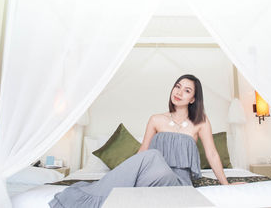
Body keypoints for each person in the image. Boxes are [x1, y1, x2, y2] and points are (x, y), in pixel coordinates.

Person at [49, 74, 229, 208]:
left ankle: (93, 197)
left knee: (152, 156)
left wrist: (226, 184)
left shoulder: (200, 121)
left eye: (187, 90)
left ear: (193, 99)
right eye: (177, 86)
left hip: (178, 182)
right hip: (151, 176)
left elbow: (212, 154)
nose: (179, 92)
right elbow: (143, 152)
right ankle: (99, 194)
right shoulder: (156, 119)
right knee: (151, 155)